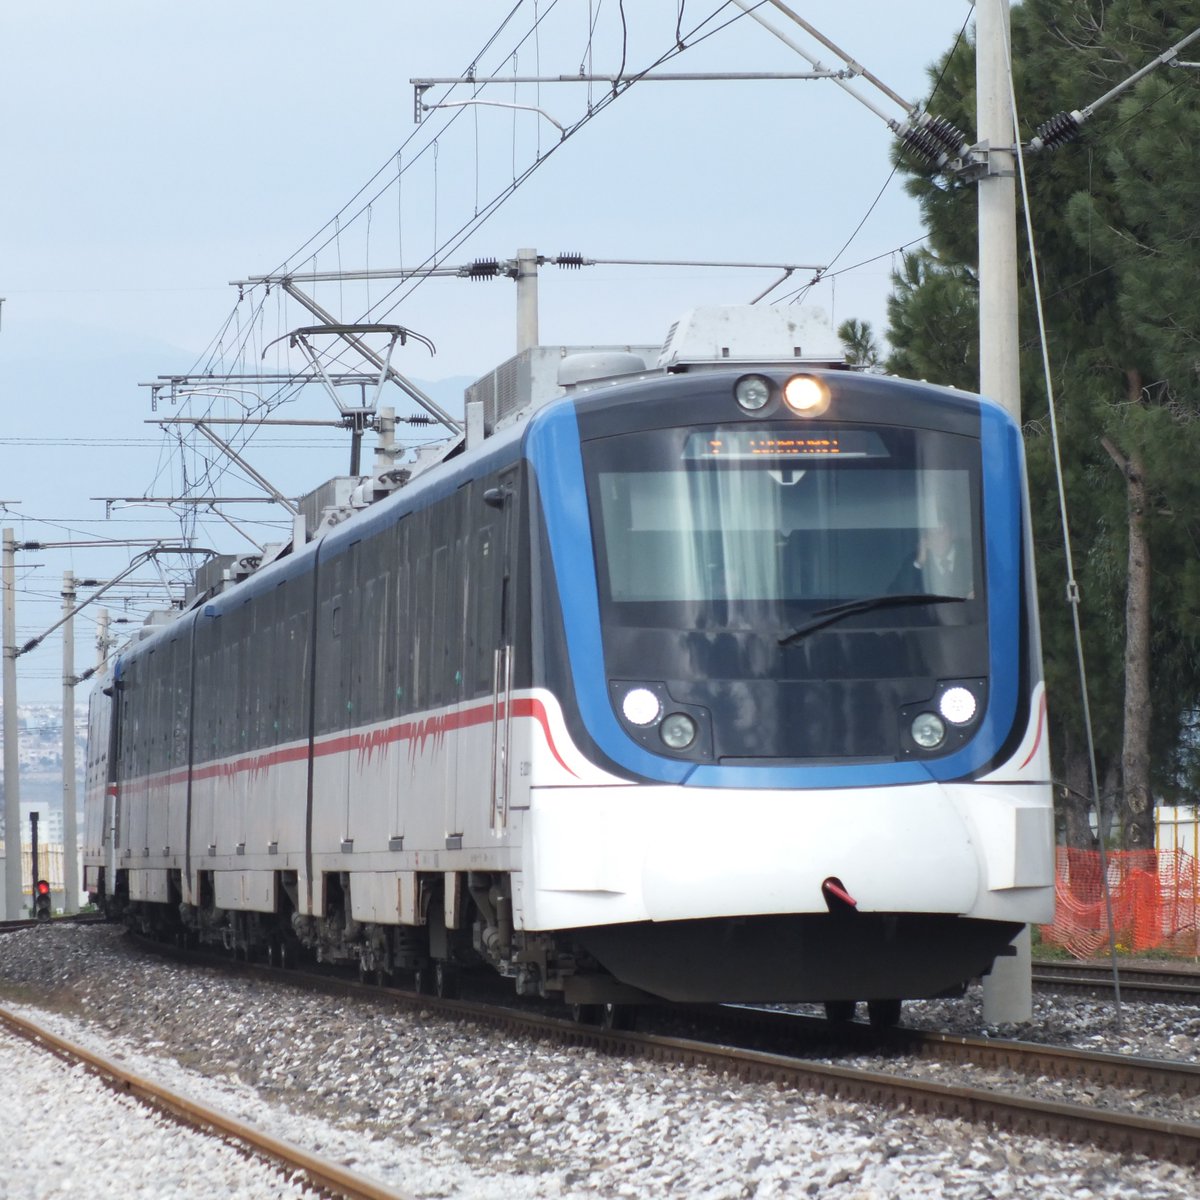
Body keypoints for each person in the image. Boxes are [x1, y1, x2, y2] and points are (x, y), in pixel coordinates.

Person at [892, 519, 973, 597]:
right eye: (930, 533)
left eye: (941, 532)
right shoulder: (915, 560)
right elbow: (897, 592)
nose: (935, 538)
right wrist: (919, 562)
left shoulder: (970, 553)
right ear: (925, 539)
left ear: (952, 533)